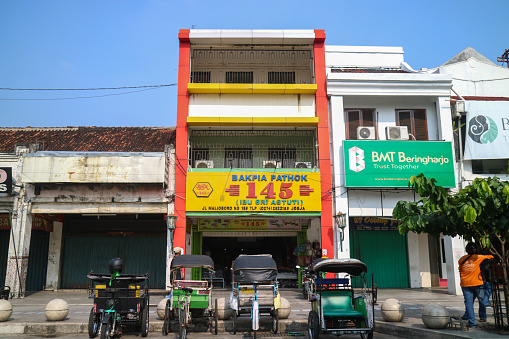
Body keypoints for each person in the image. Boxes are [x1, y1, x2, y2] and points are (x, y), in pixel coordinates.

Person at [458, 242, 493, 327]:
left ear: (466, 250)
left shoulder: (461, 259)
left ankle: (471, 323)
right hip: (477, 283)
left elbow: (460, 271)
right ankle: (482, 317)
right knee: (481, 299)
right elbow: (491, 257)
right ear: (475, 250)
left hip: (465, 284)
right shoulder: (478, 257)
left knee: (469, 303)